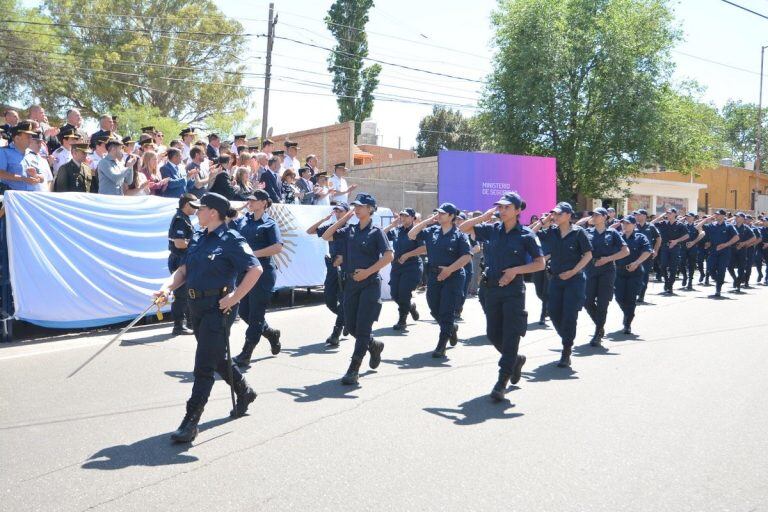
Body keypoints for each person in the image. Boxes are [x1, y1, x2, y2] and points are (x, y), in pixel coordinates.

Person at [154, 192, 262, 443]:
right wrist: (166, 287)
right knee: (215, 356)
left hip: (219, 307)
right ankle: (244, 391)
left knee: (203, 365)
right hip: (196, 306)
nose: (196, 212)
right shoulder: (199, 237)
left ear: (212, 212)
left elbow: (255, 269)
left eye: (200, 209)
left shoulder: (232, 239)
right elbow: (183, 270)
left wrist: (235, 297)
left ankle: (191, 420)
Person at [459, 192, 545, 401]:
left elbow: (539, 263)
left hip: (513, 290)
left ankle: (502, 380)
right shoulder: (492, 229)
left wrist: (515, 271)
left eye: (506, 207)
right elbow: (462, 228)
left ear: (517, 211)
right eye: (500, 207)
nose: (501, 210)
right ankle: (515, 360)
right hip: (492, 288)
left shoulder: (526, 234)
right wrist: (483, 217)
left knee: (511, 335)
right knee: (493, 334)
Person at [322, 194, 393, 385]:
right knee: (351, 326)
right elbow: (326, 235)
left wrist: (368, 272)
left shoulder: (377, 232)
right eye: (356, 206)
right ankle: (373, 345)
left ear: (370, 209)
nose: (357, 209)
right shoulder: (349, 230)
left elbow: (388, 257)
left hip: (369, 284)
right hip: (351, 284)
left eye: (361, 206)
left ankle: (354, 369)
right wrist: (345, 218)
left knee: (362, 328)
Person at [532, 202, 593, 368]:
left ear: (568, 215)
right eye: (554, 214)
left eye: (559, 214)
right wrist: (541, 222)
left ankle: (566, 350)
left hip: (574, 279)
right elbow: (529, 235)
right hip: (556, 279)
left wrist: (573, 271)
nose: (555, 216)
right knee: (553, 312)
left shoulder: (579, 233)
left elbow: (588, 255)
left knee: (569, 315)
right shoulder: (551, 231)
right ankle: (567, 338)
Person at [408, 202, 472, 358]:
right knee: (434, 307)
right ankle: (450, 328)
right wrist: (427, 221)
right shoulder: (432, 231)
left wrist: (449, 270)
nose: (439, 215)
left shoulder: (459, 235)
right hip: (434, 275)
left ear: (451, 217)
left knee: (447, 310)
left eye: (442, 213)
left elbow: (466, 256)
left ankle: (442, 344)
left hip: (453, 276)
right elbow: (411, 234)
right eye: (438, 213)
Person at [232, 189, 284, 366]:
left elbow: (277, 247)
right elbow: (228, 224)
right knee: (244, 312)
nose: (250, 202)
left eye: (254, 200)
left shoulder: (269, 223)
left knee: (255, 314)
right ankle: (270, 333)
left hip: (263, 273)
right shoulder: (243, 220)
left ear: (263, 203)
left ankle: (247, 352)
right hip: (244, 272)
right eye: (249, 199)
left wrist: (254, 254)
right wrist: (237, 211)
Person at [576, 207, 628, 347]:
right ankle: (600, 325)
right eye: (593, 214)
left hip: (607, 270)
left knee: (603, 303)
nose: (594, 216)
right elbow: (575, 229)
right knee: (587, 301)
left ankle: (598, 332)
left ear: (605, 217)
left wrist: (608, 259)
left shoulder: (613, 233)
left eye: (598, 215)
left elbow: (625, 251)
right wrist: (587, 219)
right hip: (591, 269)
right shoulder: (587, 232)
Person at [307, 203, 350, 346]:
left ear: (347, 213)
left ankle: (336, 333)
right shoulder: (332, 227)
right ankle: (347, 320)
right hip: (332, 266)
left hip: (345, 267)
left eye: (340, 211)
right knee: (329, 300)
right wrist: (324, 220)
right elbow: (310, 231)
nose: (337, 212)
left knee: (344, 301)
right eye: (335, 210)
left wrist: (343, 257)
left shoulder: (350, 229)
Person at [383, 208, 426, 330]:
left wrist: (407, 255)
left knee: (403, 292)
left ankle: (402, 320)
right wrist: (392, 225)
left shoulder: (417, 231)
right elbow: (381, 235)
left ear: (413, 218)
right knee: (394, 293)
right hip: (397, 266)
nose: (403, 218)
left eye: (406, 216)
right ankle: (410, 306)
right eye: (402, 216)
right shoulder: (397, 230)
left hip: (412, 266)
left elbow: (424, 248)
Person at [613, 215, 652, 334]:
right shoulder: (618, 236)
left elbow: (647, 251)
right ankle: (627, 313)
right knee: (619, 297)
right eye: (623, 223)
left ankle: (627, 323)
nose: (625, 225)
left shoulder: (640, 237)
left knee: (630, 299)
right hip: (619, 271)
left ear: (634, 225)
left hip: (635, 272)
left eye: (628, 223)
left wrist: (637, 262)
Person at [167, 194, 199, 336]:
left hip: (184, 259)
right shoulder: (180, 220)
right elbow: (179, 243)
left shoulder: (184, 219)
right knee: (181, 294)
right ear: (186, 205)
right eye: (194, 205)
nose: (196, 209)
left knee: (187, 293)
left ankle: (189, 322)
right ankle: (178, 325)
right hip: (179, 259)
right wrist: (197, 246)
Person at [694, 209, 739, 298]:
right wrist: (707, 219)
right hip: (713, 250)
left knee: (721, 270)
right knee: (710, 268)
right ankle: (717, 280)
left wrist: (725, 244)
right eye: (715, 215)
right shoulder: (712, 225)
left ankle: (718, 288)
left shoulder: (729, 226)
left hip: (724, 251)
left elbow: (736, 237)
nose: (716, 216)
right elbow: (697, 227)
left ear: (723, 216)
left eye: (718, 215)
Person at [651, 208, 689, 294]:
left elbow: (686, 236)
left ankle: (670, 285)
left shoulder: (680, 225)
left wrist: (676, 241)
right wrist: (660, 217)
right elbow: (650, 224)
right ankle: (666, 281)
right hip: (664, 247)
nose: (667, 214)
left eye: (669, 213)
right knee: (663, 266)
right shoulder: (663, 223)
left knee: (673, 267)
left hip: (675, 248)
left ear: (675, 214)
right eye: (667, 213)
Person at [0, 121, 46, 191]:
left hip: (30, 196)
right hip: (12, 196)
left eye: (31, 137)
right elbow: (1, 173)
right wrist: (23, 178)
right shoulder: (4, 152)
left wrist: (36, 177)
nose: (31, 140)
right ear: (17, 138)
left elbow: (42, 178)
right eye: (28, 137)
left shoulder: (33, 154)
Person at [634, 209, 661, 302]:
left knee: (644, 275)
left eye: (638, 215)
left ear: (644, 216)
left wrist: (655, 250)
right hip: (634, 254)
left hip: (647, 255)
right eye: (636, 215)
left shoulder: (651, 226)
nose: (636, 216)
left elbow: (658, 238)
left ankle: (641, 295)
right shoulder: (633, 226)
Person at [730, 212, 755, 293]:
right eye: (736, 216)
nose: (736, 218)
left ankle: (738, 285)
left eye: (738, 217)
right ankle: (736, 279)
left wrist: (744, 243)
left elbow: (754, 238)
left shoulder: (746, 228)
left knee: (741, 268)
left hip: (742, 250)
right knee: (730, 267)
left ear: (743, 219)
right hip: (732, 249)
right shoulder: (731, 227)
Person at [680, 212, 700, 291]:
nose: (687, 218)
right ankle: (685, 276)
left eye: (689, 216)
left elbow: (702, 234)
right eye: (686, 216)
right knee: (681, 263)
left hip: (692, 247)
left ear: (693, 218)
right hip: (683, 247)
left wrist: (693, 242)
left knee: (691, 265)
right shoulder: (683, 225)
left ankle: (690, 282)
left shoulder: (696, 226)